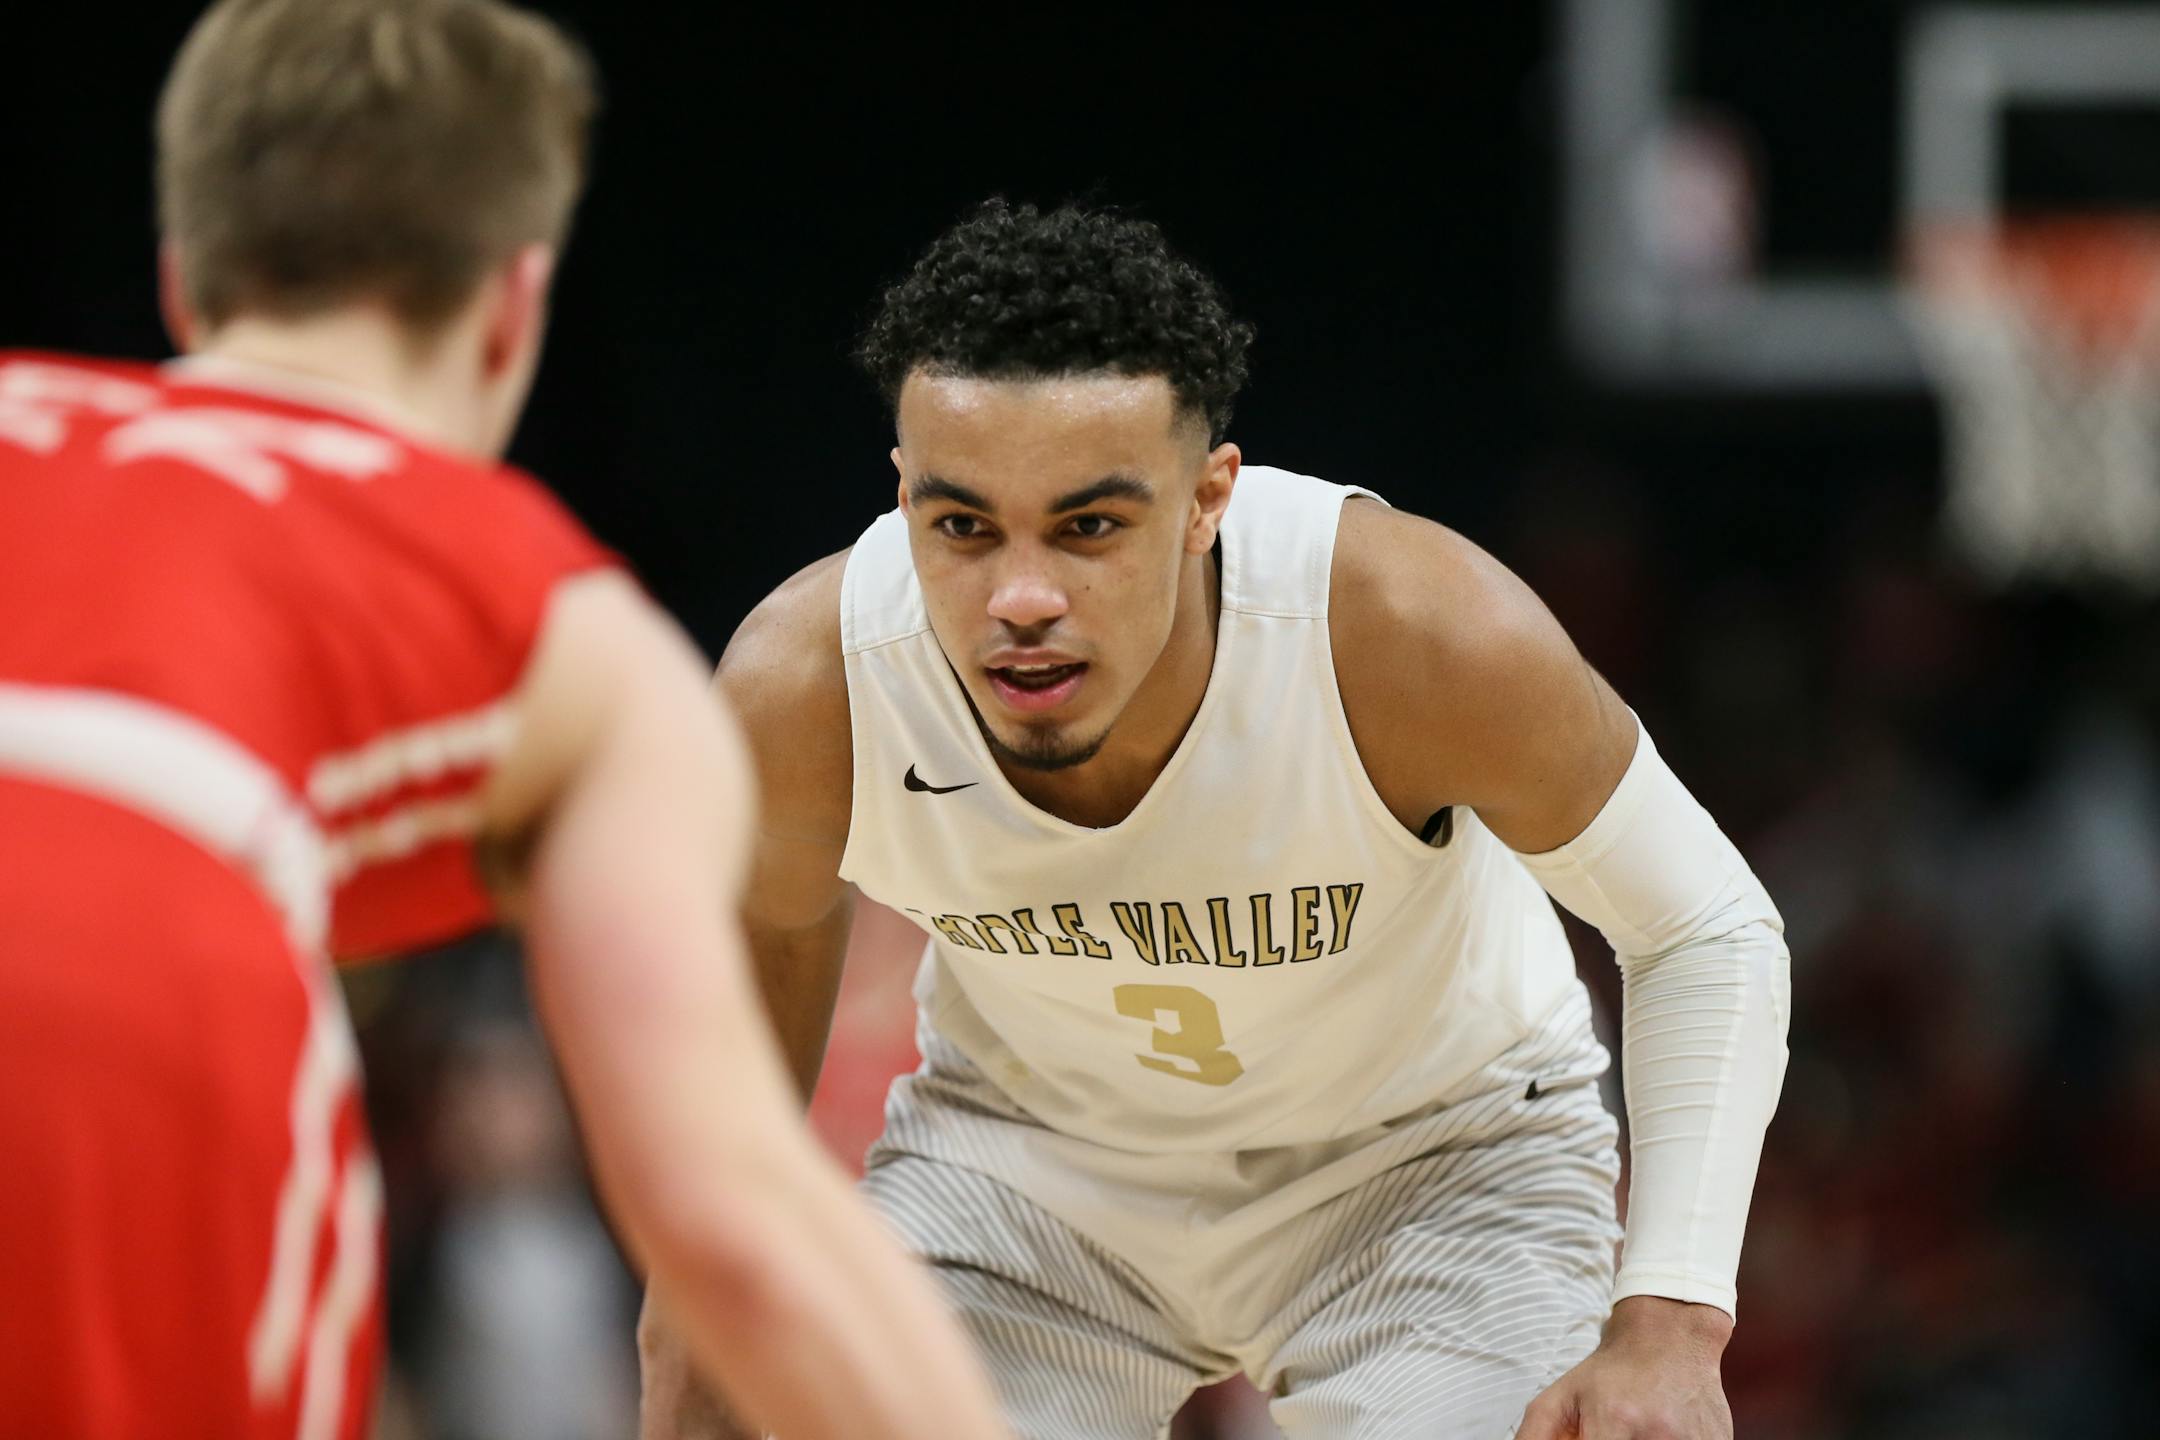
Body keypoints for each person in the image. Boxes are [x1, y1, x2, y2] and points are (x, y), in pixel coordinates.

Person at [0, 4, 1009, 1438]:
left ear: (181, 286)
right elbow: (733, 1225)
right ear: (513, 310)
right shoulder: (556, 618)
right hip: (119, 1058)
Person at [642, 200, 1791, 1440]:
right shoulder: (809, 685)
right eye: (962, 525)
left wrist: (1672, 1324)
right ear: (904, 494)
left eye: (1090, 526)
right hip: (1028, 1187)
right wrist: (690, 1308)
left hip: (1432, 1176)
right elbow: (767, 941)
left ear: (1206, 499)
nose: (1021, 598)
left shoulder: (1411, 631)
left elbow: (1705, 925)